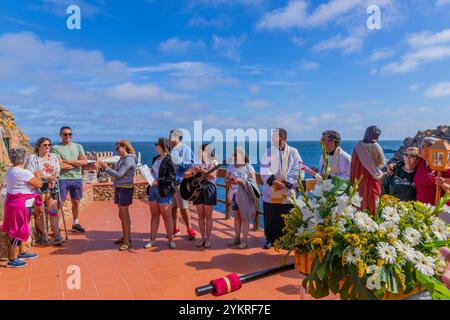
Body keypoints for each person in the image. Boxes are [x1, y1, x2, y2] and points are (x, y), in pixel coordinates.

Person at [260, 128, 303, 249]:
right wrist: (273, 182)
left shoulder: (294, 152)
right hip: (271, 190)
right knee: (271, 216)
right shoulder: (268, 152)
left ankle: (287, 239)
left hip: (286, 190)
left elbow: (298, 169)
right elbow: (263, 168)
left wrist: (286, 183)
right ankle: (270, 238)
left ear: (282, 137)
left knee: (286, 216)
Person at [3, 148, 42, 268]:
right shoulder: (24, 172)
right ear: (24, 159)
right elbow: (38, 184)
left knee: (22, 228)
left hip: (14, 203)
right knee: (19, 231)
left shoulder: (10, 171)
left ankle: (22, 252)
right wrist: (37, 175)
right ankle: (12, 259)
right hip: (22, 205)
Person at [98, 141, 137, 251]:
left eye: (118, 148)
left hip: (125, 189)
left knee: (124, 215)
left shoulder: (129, 159)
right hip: (120, 188)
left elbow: (119, 175)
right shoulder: (122, 159)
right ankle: (127, 236)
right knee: (122, 215)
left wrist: (106, 168)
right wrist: (106, 169)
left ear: (124, 148)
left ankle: (126, 241)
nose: (117, 151)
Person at [26, 137, 65, 245]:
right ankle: (43, 235)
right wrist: (47, 178)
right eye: (45, 145)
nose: (48, 147)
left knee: (53, 212)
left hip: (52, 187)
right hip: (37, 187)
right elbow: (30, 173)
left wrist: (54, 179)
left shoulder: (54, 157)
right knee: (39, 212)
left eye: (49, 145)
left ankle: (56, 235)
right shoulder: (33, 158)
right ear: (39, 146)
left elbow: (57, 171)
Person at [52, 126, 88, 233]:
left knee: (76, 202)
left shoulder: (78, 146)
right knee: (59, 203)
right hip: (62, 179)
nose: (68, 136)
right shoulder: (56, 148)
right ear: (60, 135)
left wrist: (66, 161)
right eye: (65, 134)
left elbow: (84, 162)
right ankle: (56, 226)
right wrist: (77, 164)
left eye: (70, 134)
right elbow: (60, 166)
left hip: (77, 178)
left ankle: (75, 223)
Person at [145, 138, 177, 249]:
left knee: (167, 216)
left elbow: (172, 177)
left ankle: (171, 240)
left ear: (161, 146)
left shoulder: (170, 159)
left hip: (164, 191)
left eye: (156, 144)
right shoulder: (155, 159)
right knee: (154, 215)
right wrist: (149, 173)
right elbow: (155, 172)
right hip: (153, 190)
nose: (155, 146)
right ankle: (152, 240)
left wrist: (158, 182)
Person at [184, 144, 218, 249]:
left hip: (209, 188)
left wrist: (201, 171)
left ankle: (208, 238)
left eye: (200, 152)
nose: (198, 154)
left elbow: (213, 176)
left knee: (208, 216)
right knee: (200, 216)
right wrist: (194, 172)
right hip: (198, 190)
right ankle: (202, 237)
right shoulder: (197, 163)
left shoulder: (214, 162)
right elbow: (185, 174)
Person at [225, 147, 259, 249]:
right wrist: (229, 181)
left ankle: (244, 240)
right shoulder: (231, 167)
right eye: (233, 155)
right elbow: (225, 180)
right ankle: (236, 238)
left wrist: (240, 181)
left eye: (236, 155)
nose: (234, 157)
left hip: (244, 196)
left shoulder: (248, 167)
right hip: (233, 195)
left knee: (244, 218)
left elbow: (254, 181)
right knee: (236, 218)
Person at [350, 125, 386, 214]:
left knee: (359, 201)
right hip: (372, 178)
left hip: (358, 178)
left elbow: (354, 164)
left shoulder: (358, 146)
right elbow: (381, 163)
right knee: (372, 201)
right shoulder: (376, 146)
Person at [169, 129, 196, 240]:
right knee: (174, 207)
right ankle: (176, 228)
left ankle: (189, 229)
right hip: (171, 183)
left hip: (180, 182)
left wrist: (178, 161)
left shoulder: (186, 149)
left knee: (184, 207)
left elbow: (191, 163)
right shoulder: (170, 150)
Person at [414, 137, 450, 205]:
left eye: (422, 147)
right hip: (421, 209)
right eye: (419, 146)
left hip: (438, 211)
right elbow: (406, 163)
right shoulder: (420, 162)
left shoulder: (444, 168)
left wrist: (443, 184)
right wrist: (394, 165)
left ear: (432, 150)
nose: (419, 149)